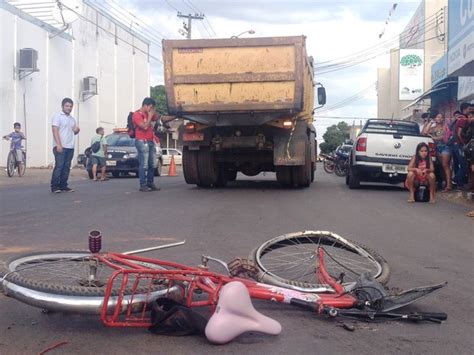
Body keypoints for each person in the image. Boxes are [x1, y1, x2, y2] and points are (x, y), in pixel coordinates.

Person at [51, 98, 80, 193]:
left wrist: (76, 131)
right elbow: (55, 131)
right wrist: (59, 145)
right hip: (60, 146)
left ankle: (63, 185)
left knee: (66, 167)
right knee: (59, 166)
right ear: (62, 106)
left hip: (70, 146)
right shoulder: (57, 116)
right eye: (67, 106)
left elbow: (73, 132)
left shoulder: (72, 119)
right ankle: (55, 186)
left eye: (71, 106)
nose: (69, 108)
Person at [132, 97, 160, 192]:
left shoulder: (150, 114)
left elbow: (158, 117)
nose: (151, 110)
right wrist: (149, 116)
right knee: (144, 164)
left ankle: (150, 182)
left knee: (152, 164)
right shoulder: (137, 114)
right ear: (145, 105)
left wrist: (153, 113)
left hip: (150, 140)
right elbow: (144, 127)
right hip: (141, 141)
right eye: (150, 107)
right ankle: (142, 184)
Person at [428, 113, 452, 191]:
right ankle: (445, 183)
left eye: (441, 117)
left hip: (445, 147)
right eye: (438, 117)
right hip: (437, 148)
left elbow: (443, 137)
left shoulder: (445, 126)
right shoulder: (433, 128)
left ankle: (448, 185)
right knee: (441, 166)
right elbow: (424, 132)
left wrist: (432, 137)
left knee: (445, 165)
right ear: (435, 118)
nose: (439, 118)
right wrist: (429, 123)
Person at [452, 103, 470, 189]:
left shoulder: (461, 118)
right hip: (459, 145)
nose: (470, 111)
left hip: (456, 145)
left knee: (461, 164)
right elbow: (459, 134)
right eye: (469, 109)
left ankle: (459, 183)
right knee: (464, 165)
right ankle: (456, 179)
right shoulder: (463, 119)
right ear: (464, 109)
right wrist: (464, 144)